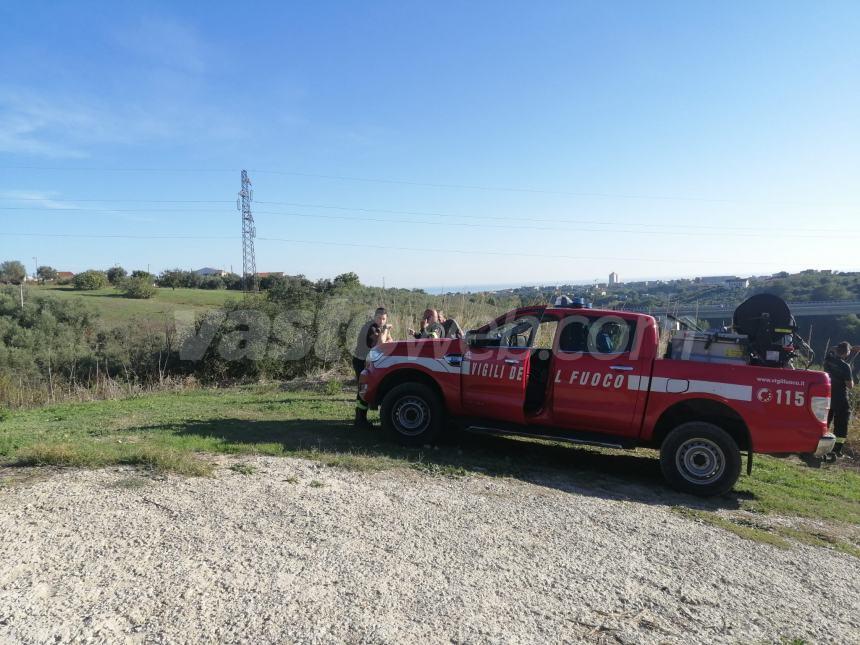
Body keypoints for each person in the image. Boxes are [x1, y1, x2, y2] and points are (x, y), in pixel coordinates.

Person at [352, 307, 393, 429]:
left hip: (367, 361)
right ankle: (360, 419)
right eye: (379, 318)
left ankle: (361, 418)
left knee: (365, 389)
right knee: (363, 390)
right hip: (360, 361)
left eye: (384, 319)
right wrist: (385, 331)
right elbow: (381, 344)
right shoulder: (372, 328)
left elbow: (390, 341)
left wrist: (385, 333)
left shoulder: (380, 327)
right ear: (374, 317)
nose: (381, 320)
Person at [823, 341, 856, 459]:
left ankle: (821, 446)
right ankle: (837, 450)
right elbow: (850, 385)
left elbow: (832, 348)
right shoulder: (845, 366)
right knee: (841, 425)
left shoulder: (828, 360)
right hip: (840, 398)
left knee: (825, 422)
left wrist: (846, 349)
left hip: (827, 396)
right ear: (846, 353)